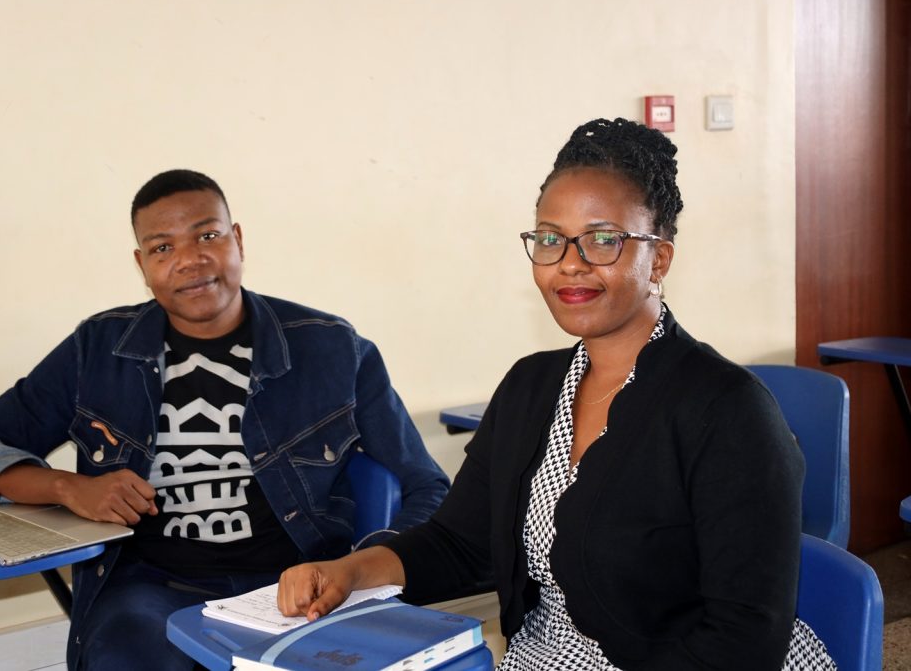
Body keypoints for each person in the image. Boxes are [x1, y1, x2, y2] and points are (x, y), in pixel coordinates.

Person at [277, 119, 836, 670]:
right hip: (544, 658)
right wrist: (349, 572)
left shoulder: (727, 410)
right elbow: (459, 545)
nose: (570, 262)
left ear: (658, 259)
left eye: (603, 240)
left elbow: (743, 640)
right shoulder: (531, 386)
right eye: (550, 238)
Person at [0, 169, 449, 670]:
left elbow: (427, 487)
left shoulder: (333, 349)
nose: (190, 260)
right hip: (149, 588)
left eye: (208, 235)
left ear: (238, 240)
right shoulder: (97, 351)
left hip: (295, 587)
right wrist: (68, 487)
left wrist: (355, 569)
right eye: (163, 247)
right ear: (142, 263)